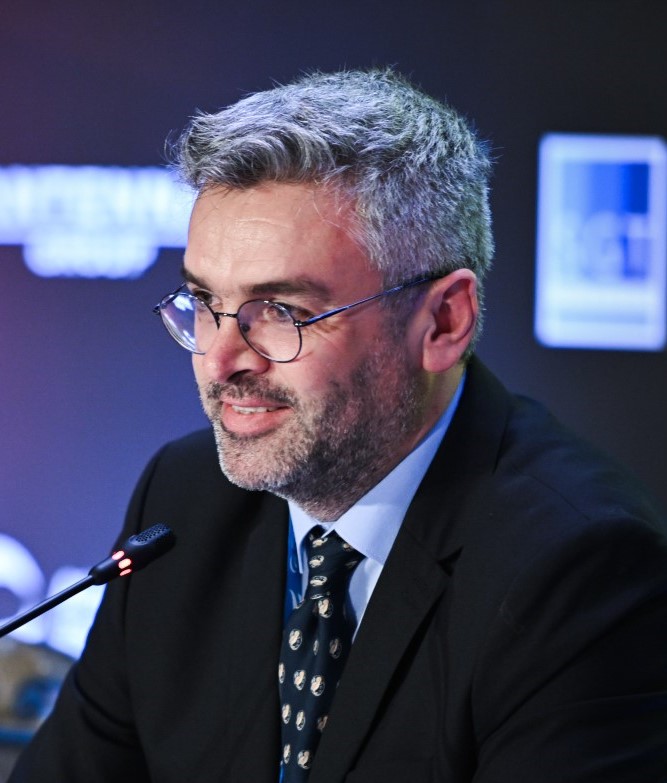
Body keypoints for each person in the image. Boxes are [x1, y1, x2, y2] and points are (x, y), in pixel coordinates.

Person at [10, 69, 667, 782]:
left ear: (443, 321)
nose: (220, 359)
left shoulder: (578, 568)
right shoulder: (185, 502)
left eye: (282, 311)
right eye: (203, 301)